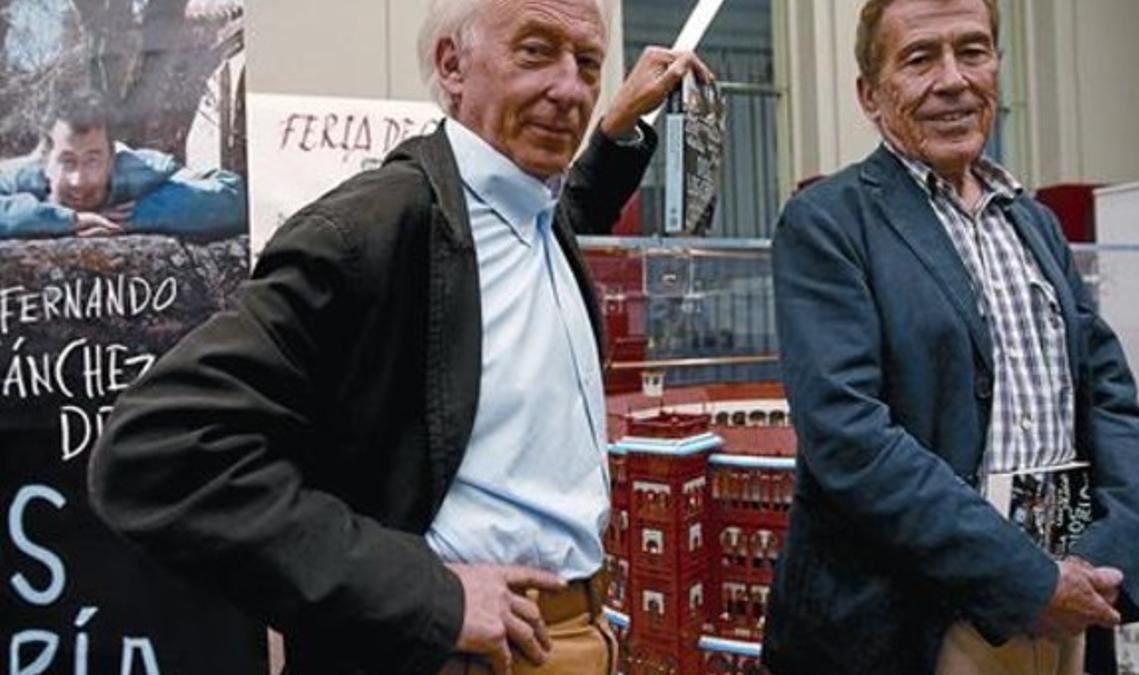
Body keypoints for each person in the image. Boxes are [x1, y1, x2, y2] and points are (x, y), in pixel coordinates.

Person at [88, 0, 711, 673]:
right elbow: (155, 450)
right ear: (453, 65)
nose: (570, 89)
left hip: (583, 635)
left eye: (587, 64)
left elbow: (563, 211)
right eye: (536, 51)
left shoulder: (536, 216)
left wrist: (619, 130)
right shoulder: (371, 230)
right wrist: (426, 592)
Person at [762, 0, 1139, 673]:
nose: (952, 79)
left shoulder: (1035, 224)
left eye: (972, 51)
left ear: (996, 67)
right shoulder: (826, 224)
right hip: (918, 626)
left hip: (1071, 603)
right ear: (869, 94)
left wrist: (1107, 556)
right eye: (919, 58)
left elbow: (1111, 396)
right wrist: (1024, 579)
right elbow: (849, 437)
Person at [0, 88, 245, 239]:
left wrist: (133, 217)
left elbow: (231, 195)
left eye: (93, 161)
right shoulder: (23, 175)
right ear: (45, 159)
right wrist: (63, 219)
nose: (79, 180)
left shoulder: (142, 169)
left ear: (112, 157)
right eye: (67, 162)